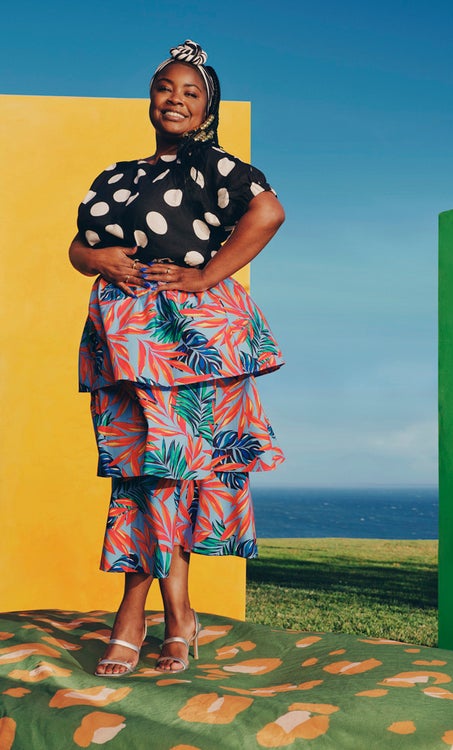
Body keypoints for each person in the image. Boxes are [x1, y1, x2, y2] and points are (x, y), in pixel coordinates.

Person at [69, 40, 285, 677]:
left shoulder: (213, 166)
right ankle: (179, 614)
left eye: (191, 92)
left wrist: (208, 274)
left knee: (168, 470)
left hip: (188, 338)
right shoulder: (117, 175)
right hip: (122, 335)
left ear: (207, 109)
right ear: (151, 96)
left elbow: (269, 213)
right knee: (140, 469)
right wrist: (95, 258)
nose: (176, 99)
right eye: (166, 87)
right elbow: (81, 245)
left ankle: (136, 617)